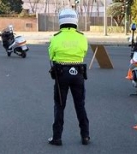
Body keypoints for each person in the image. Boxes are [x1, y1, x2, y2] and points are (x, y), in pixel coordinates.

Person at [48, 7, 90, 146]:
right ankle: (85, 136)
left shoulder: (56, 37)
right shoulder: (81, 37)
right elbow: (84, 52)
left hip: (61, 74)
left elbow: (51, 55)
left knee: (59, 106)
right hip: (78, 73)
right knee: (80, 105)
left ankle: (57, 138)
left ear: (61, 21)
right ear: (75, 21)